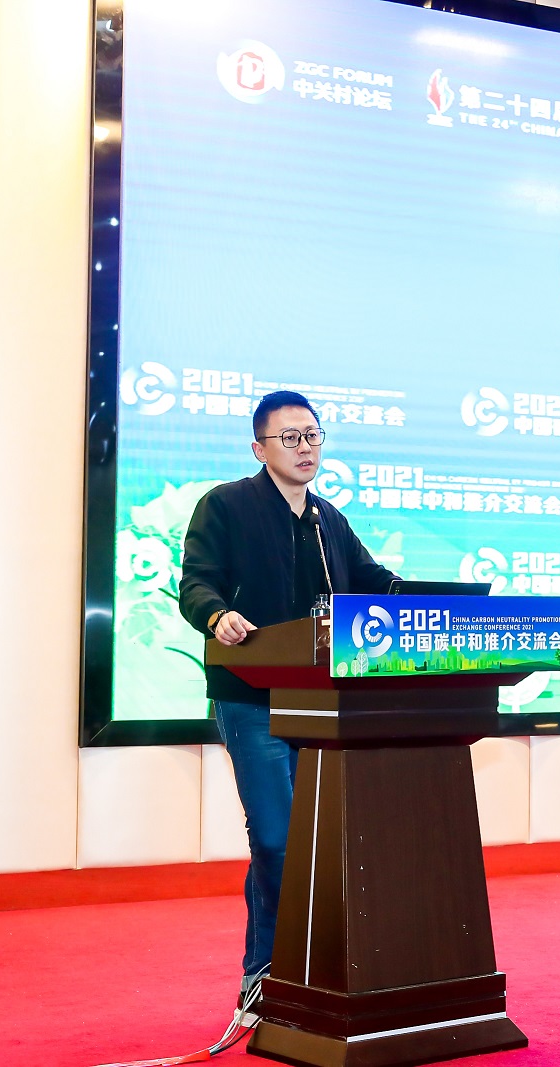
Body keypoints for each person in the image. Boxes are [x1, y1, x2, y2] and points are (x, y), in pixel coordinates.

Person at [179, 390, 397, 1014]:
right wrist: (216, 614)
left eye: (313, 436)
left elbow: (374, 583)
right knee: (276, 839)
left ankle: (312, 974)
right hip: (253, 699)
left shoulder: (329, 521)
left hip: (325, 703)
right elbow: (196, 581)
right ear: (259, 448)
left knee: (317, 845)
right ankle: (263, 976)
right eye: (290, 438)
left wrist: (430, 602)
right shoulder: (226, 505)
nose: (306, 448)